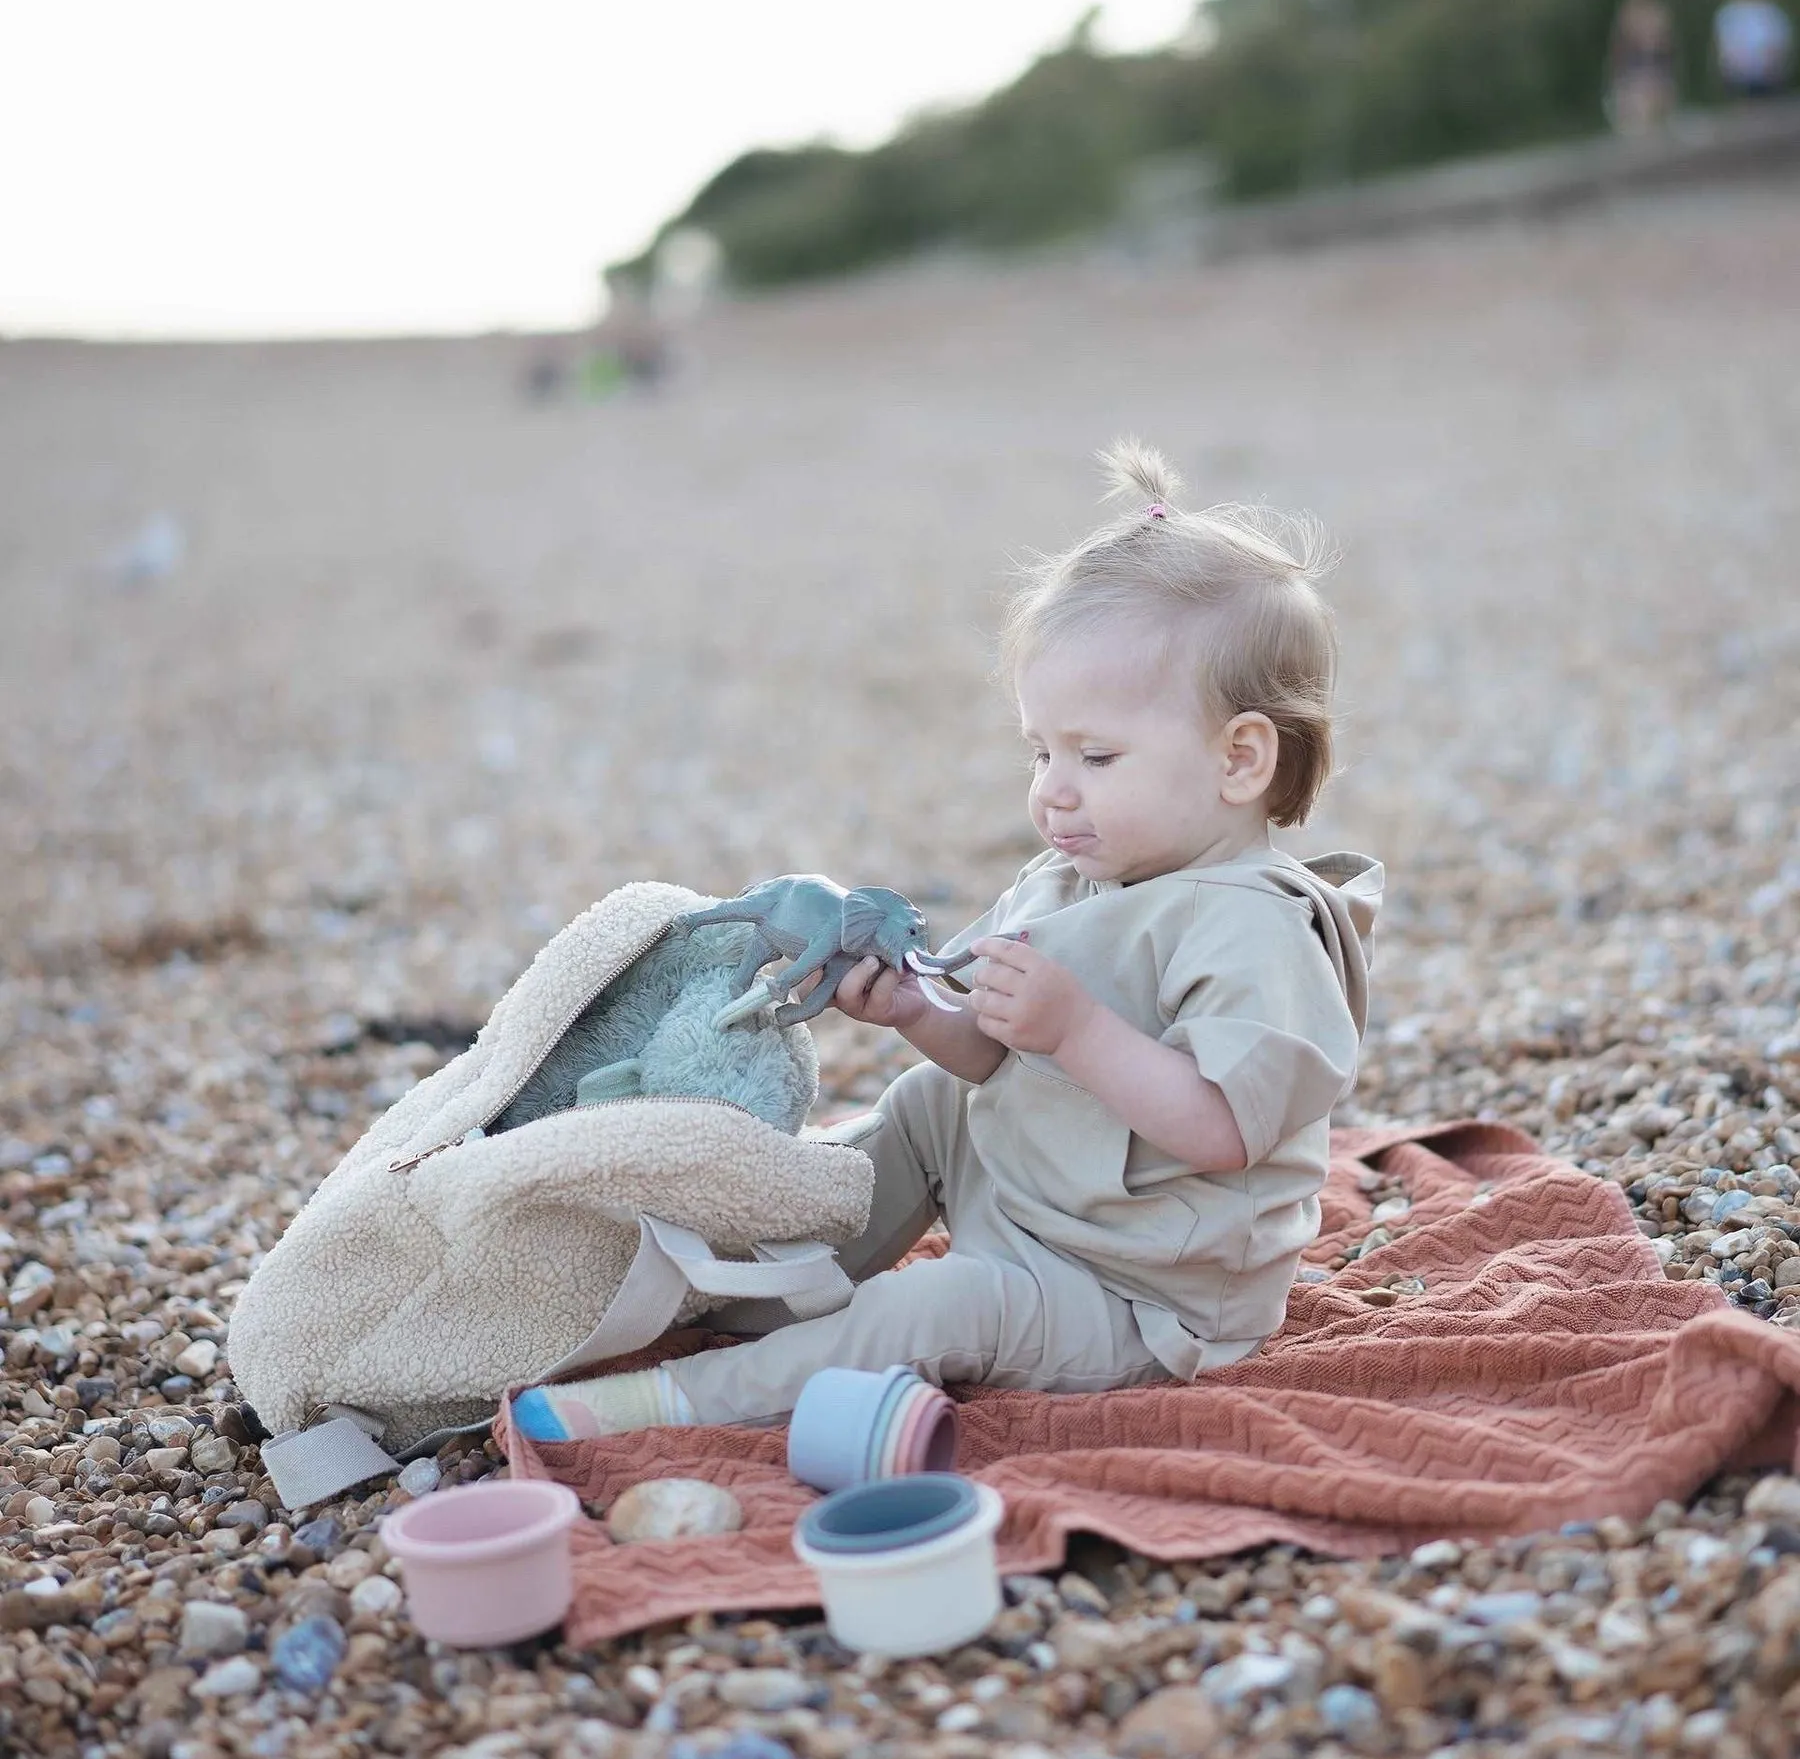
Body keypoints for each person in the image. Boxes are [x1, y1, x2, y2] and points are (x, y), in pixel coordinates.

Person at [513, 442, 1383, 1441]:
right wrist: (922, 1011)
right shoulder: (1075, 872)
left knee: (936, 1309)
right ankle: (747, 1296)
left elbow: (1227, 1134)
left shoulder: (1256, 924)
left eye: (1096, 755)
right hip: (1037, 1195)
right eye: (1040, 750)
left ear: (1240, 758)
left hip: (1137, 1293)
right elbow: (990, 1054)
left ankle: (683, 1401)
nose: (1053, 788)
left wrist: (1077, 1031)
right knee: (928, 1106)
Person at [1606, 0, 1679, 134]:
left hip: (1657, 74)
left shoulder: (1659, 13)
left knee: (1661, 119)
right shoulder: (1627, 15)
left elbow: (1667, 49)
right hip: (1635, 77)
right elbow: (1619, 55)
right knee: (1639, 123)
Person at [1715, 0, 1795, 96]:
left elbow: (1780, 46)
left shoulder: (1773, 13)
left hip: (1767, 78)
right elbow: (1724, 49)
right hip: (1737, 79)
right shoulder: (1728, 14)